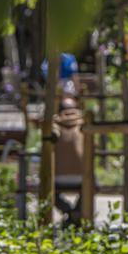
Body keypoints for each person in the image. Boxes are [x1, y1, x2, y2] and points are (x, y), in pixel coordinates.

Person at [53, 95, 85, 226]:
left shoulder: (54, 124)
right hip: (82, 177)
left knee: (46, 188)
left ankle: (68, 211)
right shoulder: (84, 124)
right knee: (93, 185)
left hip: (57, 177)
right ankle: (76, 213)